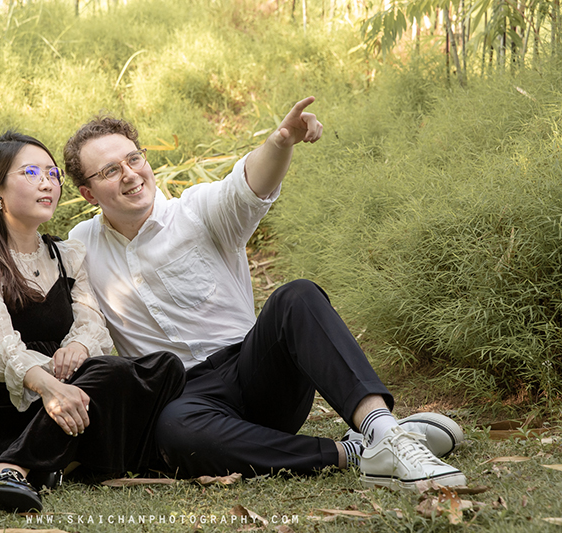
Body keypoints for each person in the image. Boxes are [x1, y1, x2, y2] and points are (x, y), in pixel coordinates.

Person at [62, 97, 468, 492]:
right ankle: (354, 453)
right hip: (184, 399)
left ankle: (384, 431)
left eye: (135, 159)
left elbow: (247, 186)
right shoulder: (80, 247)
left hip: (255, 373)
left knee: (297, 296)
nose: (130, 174)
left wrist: (280, 142)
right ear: (88, 193)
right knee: (173, 431)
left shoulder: (197, 210)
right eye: (110, 170)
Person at [0, 131, 186, 512]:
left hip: (69, 388)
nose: (46, 183)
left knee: (165, 367)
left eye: (52, 174)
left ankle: (54, 462)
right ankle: (8, 466)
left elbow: (92, 322)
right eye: (31, 172)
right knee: (108, 375)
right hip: (0, 400)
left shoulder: (67, 254)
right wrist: (51, 386)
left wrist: (78, 346)